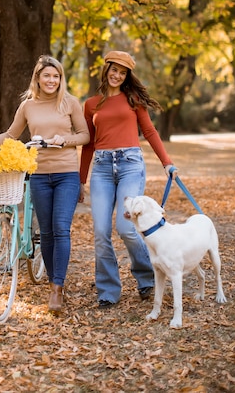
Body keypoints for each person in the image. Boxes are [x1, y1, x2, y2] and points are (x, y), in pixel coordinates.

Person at [0, 55, 90, 314]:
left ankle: (57, 288)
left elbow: (85, 135)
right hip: (38, 175)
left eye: (56, 76)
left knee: (61, 228)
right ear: (38, 78)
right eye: (47, 75)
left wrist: (62, 140)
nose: (51, 80)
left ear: (61, 79)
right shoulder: (28, 106)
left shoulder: (70, 103)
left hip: (66, 174)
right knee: (45, 231)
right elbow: (10, 136)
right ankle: (51, 281)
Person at [79, 50, 178, 308]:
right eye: (114, 70)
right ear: (106, 69)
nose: (117, 75)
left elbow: (149, 131)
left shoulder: (133, 99)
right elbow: (88, 144)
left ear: (127, 76)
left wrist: (167, 163)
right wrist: (81, 180)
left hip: (130, 165)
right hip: (101, 168)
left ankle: (147, 278)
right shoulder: (91, 104)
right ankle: (108, 291)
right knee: (101, 232)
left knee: (126, 229)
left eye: (123, 73)